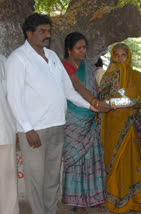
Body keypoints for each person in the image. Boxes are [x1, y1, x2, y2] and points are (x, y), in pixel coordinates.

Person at [6, 13, 97, 214]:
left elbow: (68, 90)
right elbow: (14, 97)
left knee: (51, 179)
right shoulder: (18, 59)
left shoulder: (53, 56)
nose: (47, 35)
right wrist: (28, 129)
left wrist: (90, 105)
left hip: (57, 125)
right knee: (36, 179)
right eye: (42, 31)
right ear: (29, 34)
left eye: (49, 31)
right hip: (35, 130)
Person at [98, 43, 141, 213]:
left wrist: (135, 103)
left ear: (129, 57)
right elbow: (101, 101)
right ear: (113, 57)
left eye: (124, 55)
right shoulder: (108, 78)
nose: (120, 59)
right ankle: (116, 201)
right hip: (112, 128)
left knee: (133, 162)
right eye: (117, 55)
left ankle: (135, 200)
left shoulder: (137, 76)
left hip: (132, 127)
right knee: (115, 162)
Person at [61, 32, 109, 214]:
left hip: (90, 118)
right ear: (69, 49)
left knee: (92, 158)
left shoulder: (89, 67)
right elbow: (78, 88)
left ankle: (94, 198)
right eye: (78, 48)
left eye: (84, 48)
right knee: (76, 159)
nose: (83, 51)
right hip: (73, 119)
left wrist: (99, 104)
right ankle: (78, 203)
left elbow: (94, 90)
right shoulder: (64, 66)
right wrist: (95, 104)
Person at [0, 55, 19, 214]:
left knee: (6, 184)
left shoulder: (3, 61)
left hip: (4, 131)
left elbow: (14, 97)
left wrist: (18, 126)